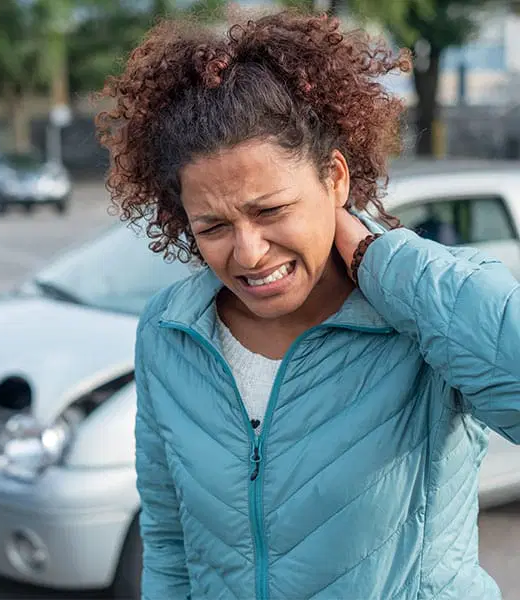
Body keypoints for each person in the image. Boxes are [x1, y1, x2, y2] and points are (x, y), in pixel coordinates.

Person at [95, 8, 520, 600]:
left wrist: (380, 257)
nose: (247, 252)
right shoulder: (169, 332)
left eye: (270, 210)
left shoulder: (422, 317)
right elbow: (169, 541)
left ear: (336, 178)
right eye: (213, 226)